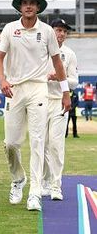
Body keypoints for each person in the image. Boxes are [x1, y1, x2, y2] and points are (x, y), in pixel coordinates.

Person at [0, 0, 71, 212]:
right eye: (25, 4)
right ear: (20, 8)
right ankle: (18, 179)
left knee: (37, 141)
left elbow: (57, 63)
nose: (28, 7)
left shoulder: (46, 31)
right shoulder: (9, 29)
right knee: (11, 143)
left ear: (38, 8)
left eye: (32, 4)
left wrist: (66, 93)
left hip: (38, 88)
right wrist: (2, 80)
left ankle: (35, 193)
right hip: (14, 90)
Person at [42, 18, 78, 201]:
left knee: (56, 145)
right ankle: (44, 182)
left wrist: (59, 77)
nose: (61, 34)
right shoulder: (41, 49)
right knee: (41, 145)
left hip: (58, 101)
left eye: (64, 31)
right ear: (51, 31)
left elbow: (74, 81)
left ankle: (56, 186)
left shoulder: (69, 54)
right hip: (39, 101)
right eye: (58, 30)